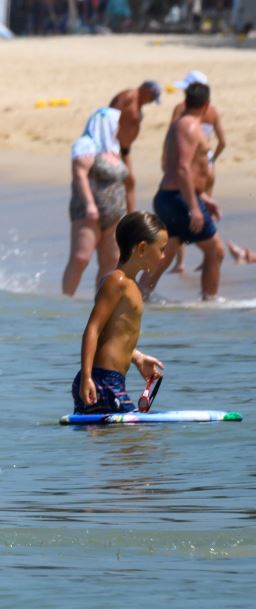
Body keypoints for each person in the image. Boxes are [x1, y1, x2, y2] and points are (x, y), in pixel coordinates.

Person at [73, 212, 168, 414]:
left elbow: (112, 335)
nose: (163, 256)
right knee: (133, 441)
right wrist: (87, 377)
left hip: (109, 381)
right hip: (102, 381)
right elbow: (93, 329)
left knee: (116, 441)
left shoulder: (130, 285)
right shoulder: (117, 282)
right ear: (142, 248)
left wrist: (138, 358)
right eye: (161, 249)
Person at [139, 81, 224, 301]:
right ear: (206, 104)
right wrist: (194, 207)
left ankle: (139, 297)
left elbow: (176, 165)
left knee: (167, 252)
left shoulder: (180, 125)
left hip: (173, 197)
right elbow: (182, 168)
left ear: (186, 101)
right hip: (180, 199)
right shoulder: (189, 127)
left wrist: (202, 195)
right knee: (215, 251)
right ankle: (210, 302)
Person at [61, 108, 128, 296]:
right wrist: (90, 204)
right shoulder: (86, 145)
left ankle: (101, 305)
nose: (119, 127)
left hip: (115, 214)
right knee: (80, 258)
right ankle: (66, 300)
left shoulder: (114, 149)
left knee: (111, 261)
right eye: (116, 123)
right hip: (88, 212)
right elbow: (80, 174)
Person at [164, 70, 224, 274]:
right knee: (202, 213)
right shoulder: (213, 110)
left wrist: (166, 162)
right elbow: (223, 141)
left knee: (187, 215)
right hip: (207, 167)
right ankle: (207, 258)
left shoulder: (181, 110)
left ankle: (180, 263)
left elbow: (172, 138)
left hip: (186, 168)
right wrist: (212, 159)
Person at [107, 80, 162, 213]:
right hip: (113, 145)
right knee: (114, 180)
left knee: (130, 180)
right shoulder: (130, 96)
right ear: (146, 91)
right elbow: (109, 115)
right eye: (152, 98)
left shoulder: (138, 103)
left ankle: (131, 217)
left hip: (125, 148)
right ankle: (112, 216)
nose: (151, 102)